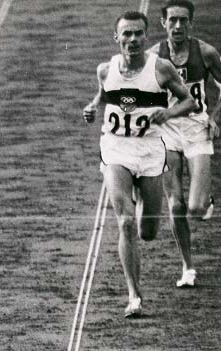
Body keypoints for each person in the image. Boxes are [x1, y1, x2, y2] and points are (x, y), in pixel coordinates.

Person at [83, 11, 196, 317]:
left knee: (148, 231)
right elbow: (103, 95)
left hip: (149, 151)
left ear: (146, 37)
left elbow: (190, 101)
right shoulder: (105, 69)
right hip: (116, 149)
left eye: (138, 34)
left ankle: (142, 200)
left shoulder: (161, 68)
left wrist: (168, 113)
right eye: (127, 34)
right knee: (126, 222)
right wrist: (92, 107)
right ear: (116, 38)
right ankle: (134, 295)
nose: (132, 39)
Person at [148, 0, 221, 288]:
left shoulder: (205, 53)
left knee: (196, 208)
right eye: (172, 20)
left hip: (196, 127)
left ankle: (206, 200)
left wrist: (215, 118)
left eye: (183, 20)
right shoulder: (154, 56)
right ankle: (187, 267)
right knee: (176, 204)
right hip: (167, 131)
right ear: (163, 23)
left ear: (190, 23)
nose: (177, 26)